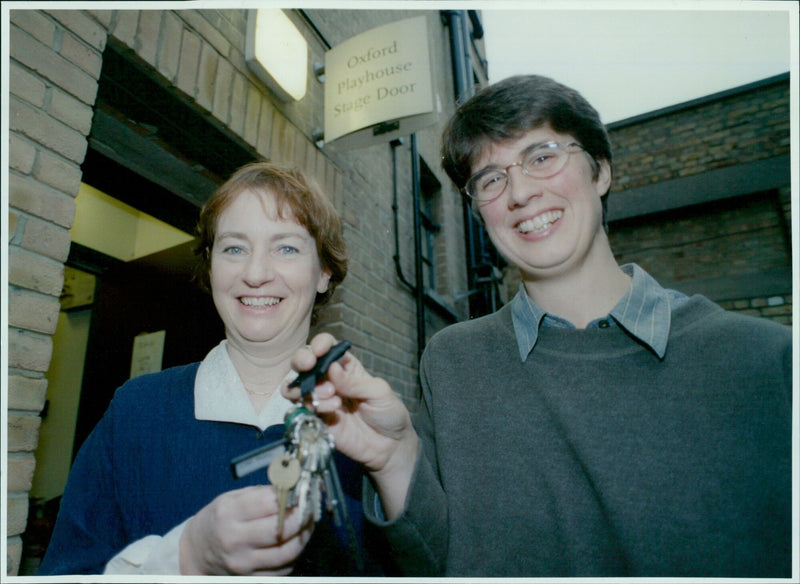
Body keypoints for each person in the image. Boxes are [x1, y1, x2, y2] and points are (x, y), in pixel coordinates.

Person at [284, 75, 793, 577]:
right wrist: (393, 460)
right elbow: (438, 562)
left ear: (601, 172)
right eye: (491, 179)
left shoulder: (765, 363)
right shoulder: (454, 361)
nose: (521, 192)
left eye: (542, 156)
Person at [39, 162, 382, 576]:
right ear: (211, 265)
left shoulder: (369, 429)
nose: (255, 274)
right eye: (234, 248)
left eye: (286, 248)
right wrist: (182, 559)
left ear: (324, 271)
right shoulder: (134, 411)